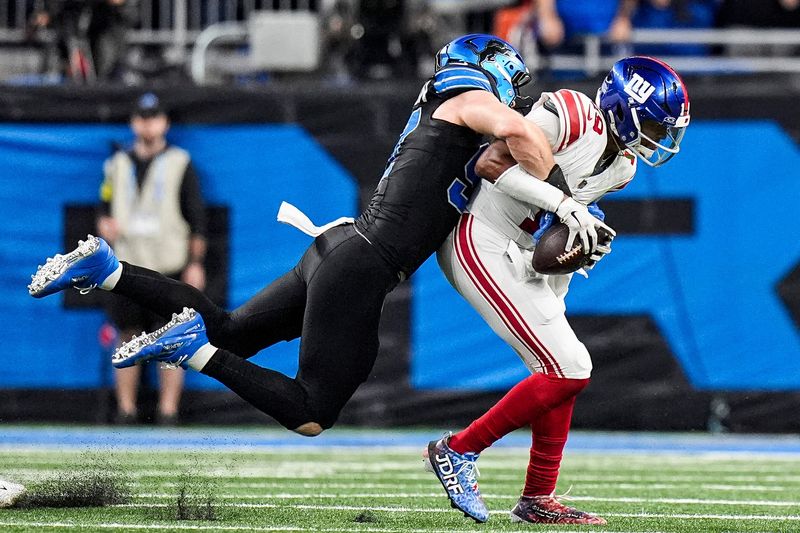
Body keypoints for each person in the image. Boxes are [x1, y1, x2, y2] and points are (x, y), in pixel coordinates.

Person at [29, 35, 607, 443]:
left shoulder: (445, 108)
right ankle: (192, 351)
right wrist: (563, 202)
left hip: (342, 247)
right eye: (513, 81)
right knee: (311, 412)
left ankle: (108, 270)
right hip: (363, 264)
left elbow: (496, 161)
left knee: (231, 330)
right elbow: (518, 130)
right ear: (489, 68)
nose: (516, 94)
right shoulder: (465, 97)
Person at [424, 56, 691, 524]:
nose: (658, 138)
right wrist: (567, 206)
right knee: (570, 366)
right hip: (481, 236)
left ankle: (537, 499)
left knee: (561, 369)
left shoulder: (622, 167)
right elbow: (491, 163)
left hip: (519, 252)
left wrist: (573, 258)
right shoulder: (572, 114)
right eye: (652, 125)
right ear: (623, 109)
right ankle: (458, 450)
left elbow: (554, 227)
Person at [97, 92, 208, 425]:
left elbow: (197, 219)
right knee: (127, 335)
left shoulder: (180, 163)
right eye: (142, 118)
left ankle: (168, 412)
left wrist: (195, 263)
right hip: (126, 265)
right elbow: (104, 208)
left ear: (165, 123)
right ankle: (126, 410)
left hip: (167, 265)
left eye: (154, 118)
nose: (148, 125)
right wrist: (104, 227)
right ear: (134, 122)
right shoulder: (116, 164)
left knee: (170, 339)